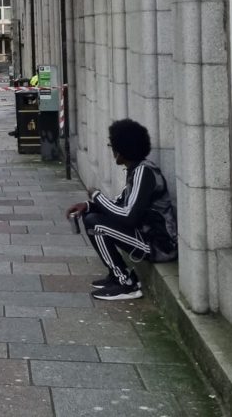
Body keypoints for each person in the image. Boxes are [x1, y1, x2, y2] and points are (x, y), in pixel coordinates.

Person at [65, 119, 178, 301]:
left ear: (122, 150)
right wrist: (88, 205)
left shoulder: (144, 172)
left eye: (113, 146)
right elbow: (119, 204)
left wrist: (96, 195)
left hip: (159, 246)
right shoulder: (137, 171)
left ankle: (126, 283)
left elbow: (128, 217)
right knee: (90, 216)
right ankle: (116, 275)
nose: (112, 151)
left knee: (96, 224)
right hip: (146, 237)